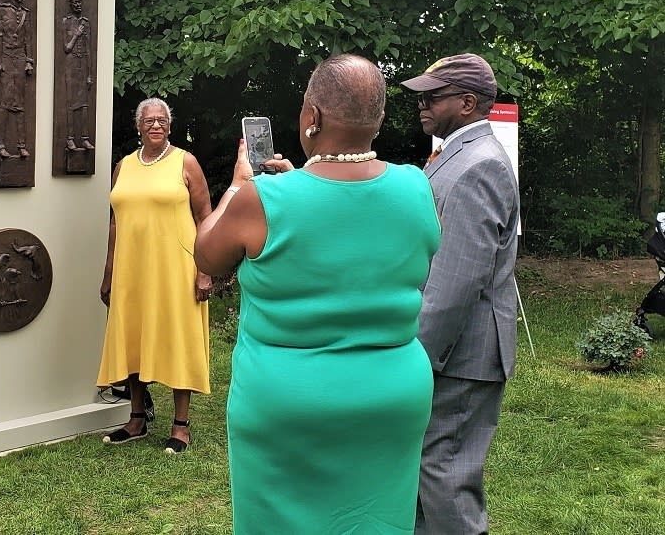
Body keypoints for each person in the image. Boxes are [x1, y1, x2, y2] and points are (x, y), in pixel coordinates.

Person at [194, 54, 441, 533]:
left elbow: (208, 255)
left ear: (312, 118)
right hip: (392, 396)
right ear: (379, 119)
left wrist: (238, 186)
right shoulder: (416, 186)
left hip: (289, 402)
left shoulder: (262, 198)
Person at [401, 53, 520, 534]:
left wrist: (414, 360)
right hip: (456, 353)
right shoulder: (457, 154)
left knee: (445, 477)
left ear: (468, 102)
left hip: (460, 356)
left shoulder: (478, 166)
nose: (422, 103)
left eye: (433, 95)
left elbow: (456, 283)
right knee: (430, 476)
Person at [96, 98, 213, 454]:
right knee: (131, 337)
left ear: (170, 126)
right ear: (138, 126)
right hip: (132, 269)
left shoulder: (185, 162)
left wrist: (205, 269)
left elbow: (205, 216)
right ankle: (136, 418)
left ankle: (181, 425)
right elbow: (116, 221)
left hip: (175, 267)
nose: (156, 125)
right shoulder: (124, 166)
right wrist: (109, 271)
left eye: (162, 120)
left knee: (178, 336)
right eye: (149, 120)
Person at [0, 0, 34, 159]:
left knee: (20, 104)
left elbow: (28, 39)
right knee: (5, 102)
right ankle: (1, 144)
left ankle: (20, 145)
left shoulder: (26, 13)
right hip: (7, 59)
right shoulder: (3, 10)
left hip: (19, 59)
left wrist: (29, 61)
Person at [62, 0, 94, 152]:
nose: (78, 5)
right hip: (71, 66)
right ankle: (70, 139)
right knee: (71, 104)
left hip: (82, 66)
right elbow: (66, 48)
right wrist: (76, 34)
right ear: (70, 3)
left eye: (80, 2)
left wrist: (89, 74)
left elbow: (89, 50)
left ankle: (85, 138)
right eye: (75, 2)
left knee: (84, 105)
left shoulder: (86, 23)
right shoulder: (66, 22)